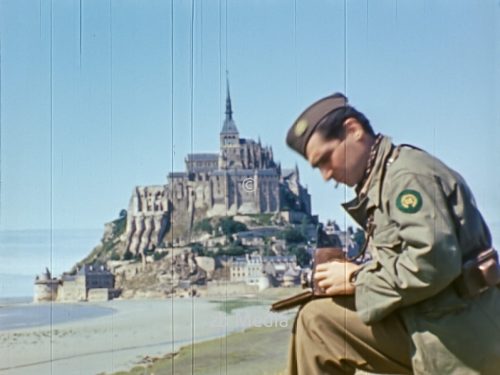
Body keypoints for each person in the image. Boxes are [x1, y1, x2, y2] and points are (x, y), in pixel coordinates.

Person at [284, 92, 500, 375]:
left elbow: (433, 262)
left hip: (457, 329)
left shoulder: (405, 176)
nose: (325, 175)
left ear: (353, 130)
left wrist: (355, 279)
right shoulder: (383, 179)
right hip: (432, 317)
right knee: (317, 320)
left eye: (326, 159)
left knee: (319, 325)